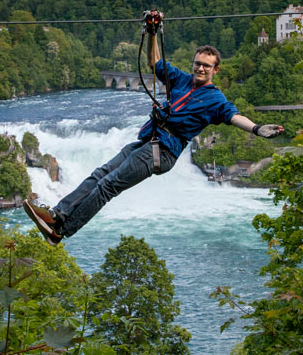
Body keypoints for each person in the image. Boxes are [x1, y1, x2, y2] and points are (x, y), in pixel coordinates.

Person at [24, 16, 284, 246]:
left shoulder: (215, 100)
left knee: (108, 185)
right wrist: (151, 33)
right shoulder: (182, 79)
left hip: (163, 151)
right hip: (148, 141)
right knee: (100, 174)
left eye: (206, 65)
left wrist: (258, 129)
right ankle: (58, 214)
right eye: (197, 63)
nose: (200, 68)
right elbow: (155, 62)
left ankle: (62, 230)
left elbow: (235, 117)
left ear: (216, 69)